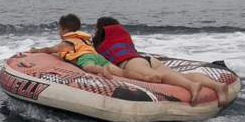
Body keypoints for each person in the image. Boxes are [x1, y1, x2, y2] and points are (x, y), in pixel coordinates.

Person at [91, 15, 236, 102]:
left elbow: (93, 51)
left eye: (96, 28)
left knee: (157, 77)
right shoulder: (122, 36)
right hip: (147, 60)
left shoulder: (101, 43)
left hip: (130, 63)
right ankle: (216, 86)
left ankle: (191, 86)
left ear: (102, 30)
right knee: (178, 75)